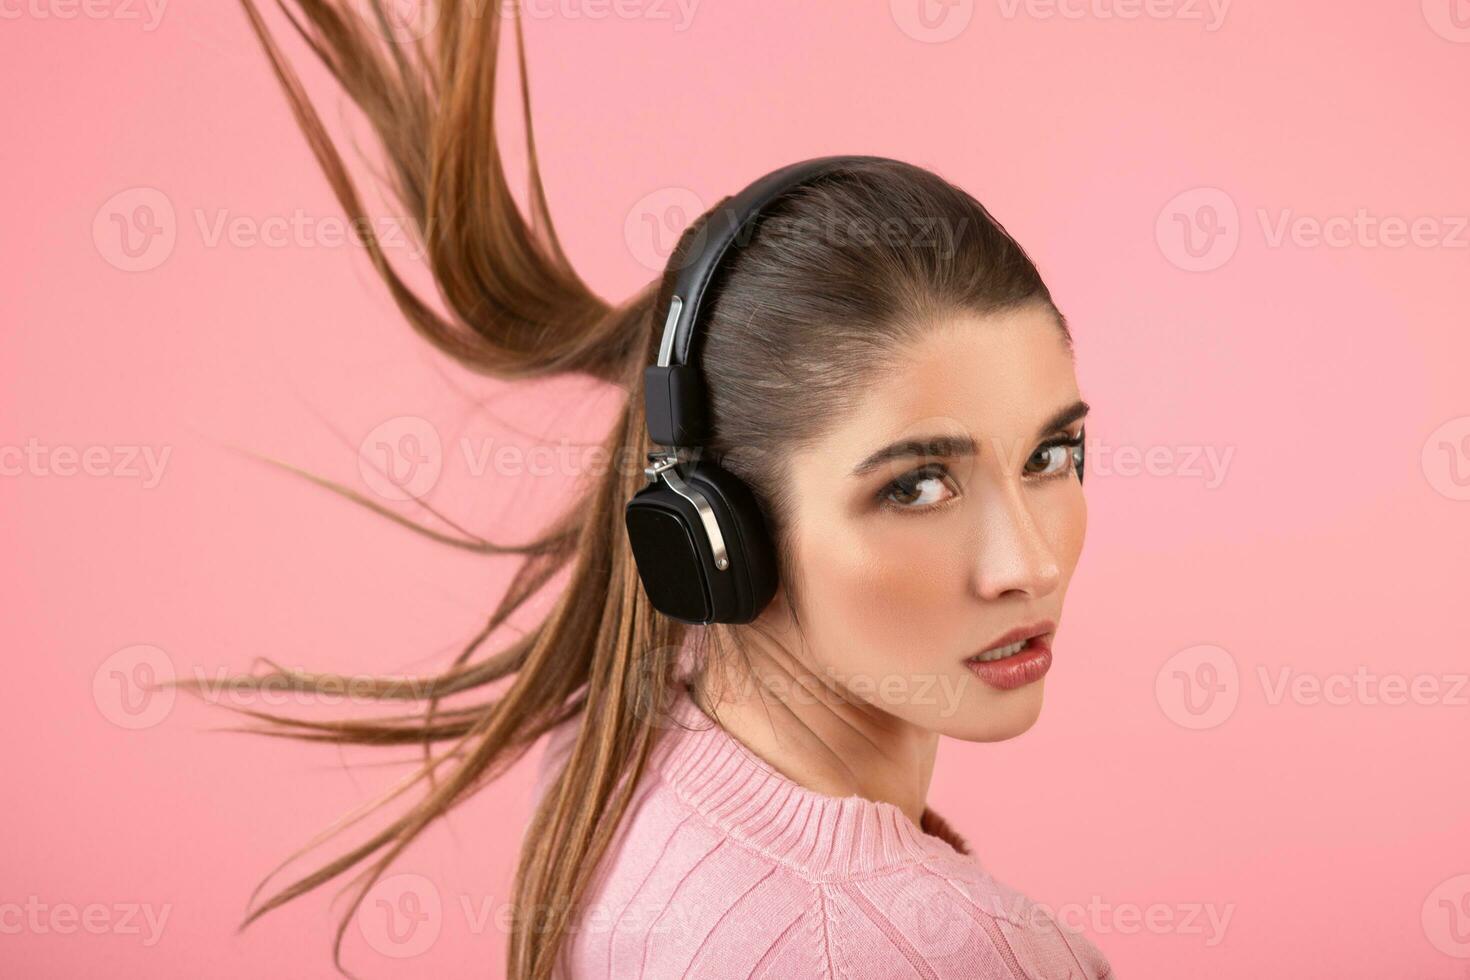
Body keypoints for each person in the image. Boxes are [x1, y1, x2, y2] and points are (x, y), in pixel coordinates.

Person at [209, 3, 1113, 977]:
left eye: (1051, 457)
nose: (1031, 561)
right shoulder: (945, 954)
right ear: (717, 532)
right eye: (921, 484)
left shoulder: (615, 754)